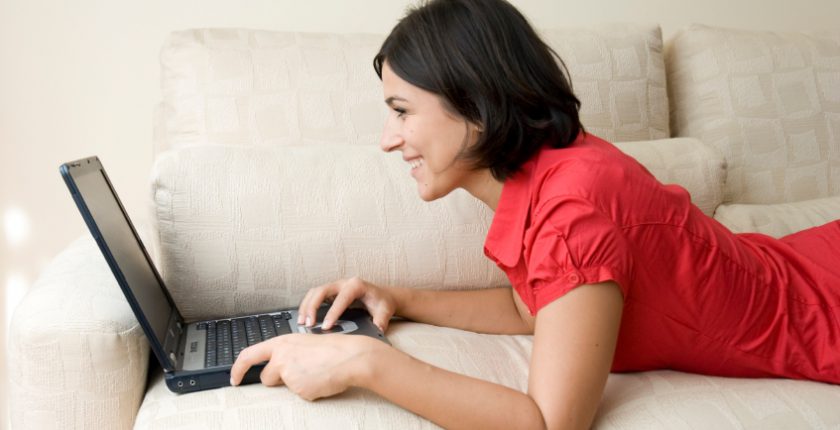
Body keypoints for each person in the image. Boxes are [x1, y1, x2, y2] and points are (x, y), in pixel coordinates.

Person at [230, 0, 840, 428]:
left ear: (477, 102)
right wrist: (400, 297)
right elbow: (535, 307)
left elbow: (547, 423)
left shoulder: (574, 208)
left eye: (402, 110)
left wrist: (367, 362)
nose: (389, 139)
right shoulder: (548, 178)